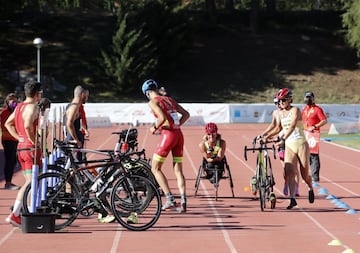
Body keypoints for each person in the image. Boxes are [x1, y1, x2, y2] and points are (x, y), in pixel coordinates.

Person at [142, 79, 190, 212]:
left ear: (147, 93)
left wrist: (154, 128)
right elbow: (186, 114)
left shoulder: (153, 102)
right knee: (178, 170)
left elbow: (162, 118)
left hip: (168, 135)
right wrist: (177, 125)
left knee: (155, 168)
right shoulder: (169, 99)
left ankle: (170, 199)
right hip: (178, 135)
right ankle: (183, 200)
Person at [267, 88, 314, 209]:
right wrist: (264, 136)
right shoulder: (281, 113)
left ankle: (310, 186)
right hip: (289, 145)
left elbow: (292, 126)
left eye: (283, 100)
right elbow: (278, 128)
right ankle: (292, 199)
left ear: (289, 100)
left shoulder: (295, 110)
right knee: (289, 173)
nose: (281, 102)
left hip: (301, 143)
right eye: (279, 100)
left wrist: (282, 139)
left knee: (304, 175)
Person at [4, 81, 43, 227]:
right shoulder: (32, 107)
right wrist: (34, 141)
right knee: (32, 182)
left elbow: (8, 123)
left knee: (29, 182)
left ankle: (17, 212)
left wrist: (18, 137)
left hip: (21, 148)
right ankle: (19, 213)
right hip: (30, 149)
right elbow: (27, 125)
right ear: (37, 94)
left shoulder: (19, 106)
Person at [258, 95, 300, 197]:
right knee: (285, 166)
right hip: (281, 140)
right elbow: (274, 126)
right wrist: (264, 135)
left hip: (290, 140)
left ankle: (296, 187)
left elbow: (291, 126)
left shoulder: (290, 111)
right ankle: (287, 182)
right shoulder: (276, 113)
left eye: (280, 102)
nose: (278, 105)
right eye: (276, 103)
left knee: (294, 166)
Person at [301, 91, 327, 183]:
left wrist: (315, 126)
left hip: (313, 134)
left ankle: (315, 177)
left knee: (314, 155)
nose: (308, 99)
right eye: (306, 97)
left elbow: (324, 121)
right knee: (305, 155)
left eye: (310, 97)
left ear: (313, 98)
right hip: (305, 134)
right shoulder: (304, 109)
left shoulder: (317, 109)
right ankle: (307, 175)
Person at [0, 93, 20, 190]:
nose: (15, 103)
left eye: (16, 101)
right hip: (7, 139)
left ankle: (9, 181)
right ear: (8, 102)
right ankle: (8, 183)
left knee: (13, 161)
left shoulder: (16, 112)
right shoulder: (4, 113)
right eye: (13, 102)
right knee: (9, 161)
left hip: (15, 139)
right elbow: (5, 126)